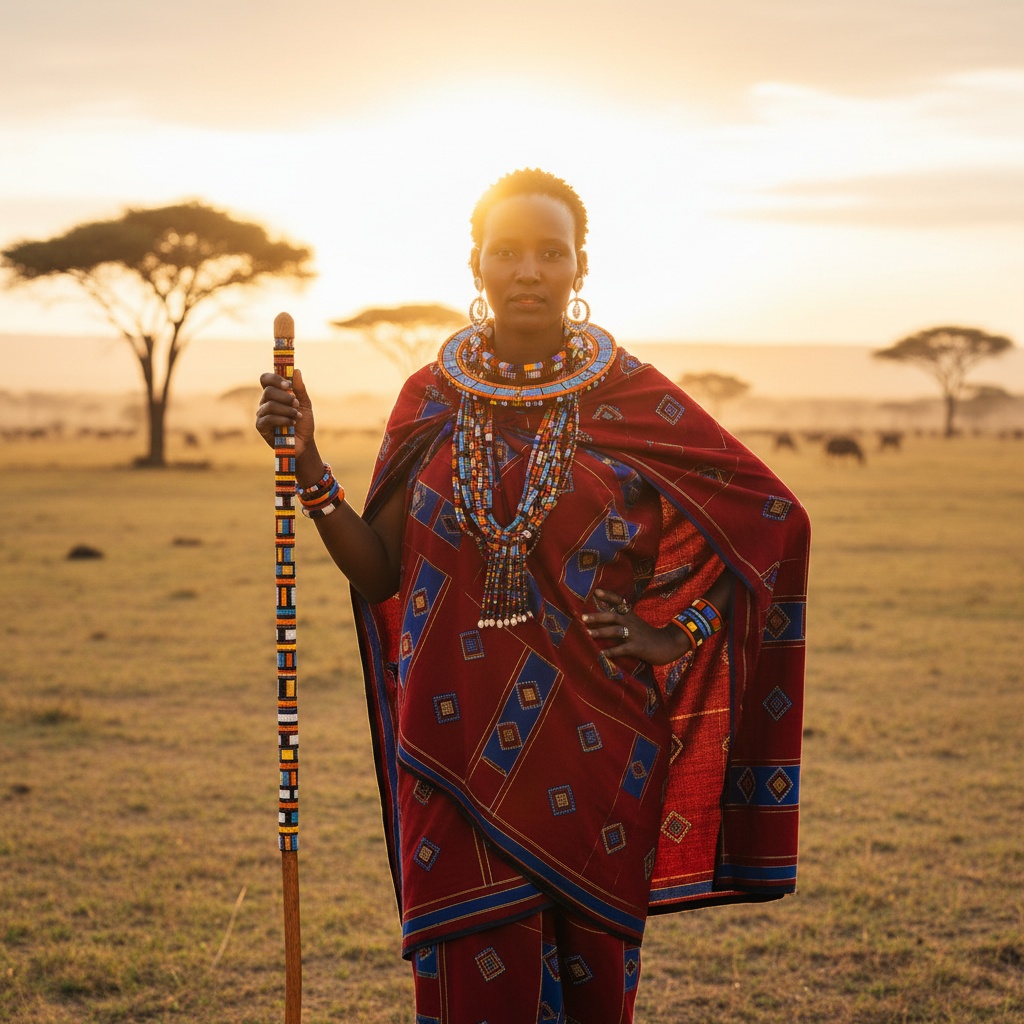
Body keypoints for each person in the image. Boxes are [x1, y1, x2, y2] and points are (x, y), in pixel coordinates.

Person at [256, 168, 810, 1023]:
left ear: (580, 267)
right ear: (475, 264)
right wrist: (310, 467)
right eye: (506, 252)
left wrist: (675, 632)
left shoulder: (633, 398)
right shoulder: (432, 400)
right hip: (447, 745)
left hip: (600, 749)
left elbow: (774, 521)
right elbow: (377, 573)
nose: (527, 271)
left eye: (550, 253)